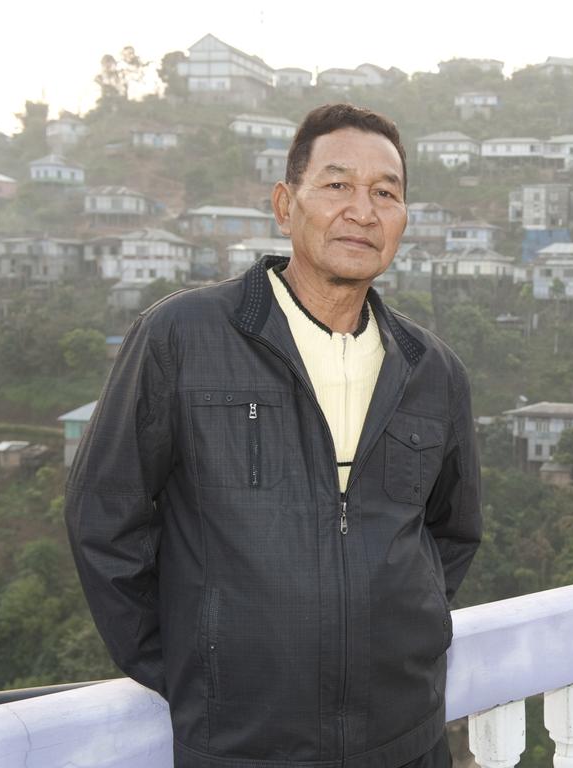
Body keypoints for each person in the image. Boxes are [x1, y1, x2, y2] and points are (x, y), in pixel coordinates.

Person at [65, 103, 482, 768]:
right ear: (286, 206)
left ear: (405, 219)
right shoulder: (183, 337)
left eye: (386, 193)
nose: (363, 211)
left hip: (408, 739)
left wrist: (409, 634)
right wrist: (201, 669)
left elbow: (451, 534)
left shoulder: (432, 370)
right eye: (337, 185)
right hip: (241, 746)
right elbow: (102, 519)